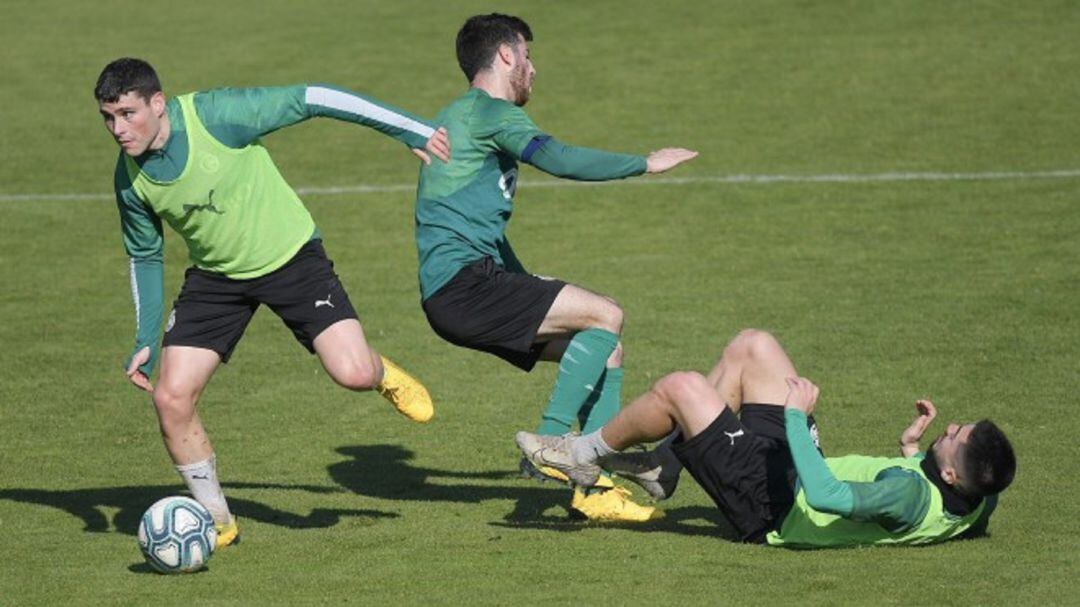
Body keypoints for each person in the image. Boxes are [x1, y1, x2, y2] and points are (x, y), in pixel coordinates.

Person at [95, 57, 450, 548]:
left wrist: (410, 130)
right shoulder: (130, 179)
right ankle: (216, 521)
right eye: (108, 118)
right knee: (170, 398)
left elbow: (317, 97)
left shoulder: (218, 116)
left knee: (354, 375)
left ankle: (380, 372)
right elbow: (144, 255)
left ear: (158, 103)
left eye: (128, 113)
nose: (118, 129)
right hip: (216, 280)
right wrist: (144, 340)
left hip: (291, 260)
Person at [414, 14, 697, 522]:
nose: (533, 68)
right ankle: (554, 440)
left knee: (606, 350)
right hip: (463, 287)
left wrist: (521, 279)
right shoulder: (491, 114)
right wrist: (644, 163)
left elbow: (477, 226)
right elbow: (560, 159)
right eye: (527, 55)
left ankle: (595, 492)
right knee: (606, 314)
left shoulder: (461, 115)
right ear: (505, 55)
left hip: (461, 287)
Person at [517, 329, 1016, 547]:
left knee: (681, 388)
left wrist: (797, 418)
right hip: (793, 476)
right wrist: (912, 452)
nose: (949, 427)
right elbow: (936, 508)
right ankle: (665, 465)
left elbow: (829, 497)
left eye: (955, 436)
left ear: (951, 473)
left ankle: (581, 454)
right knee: (753, 347)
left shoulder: (909, 494)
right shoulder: (976, 498)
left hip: (773, 508)